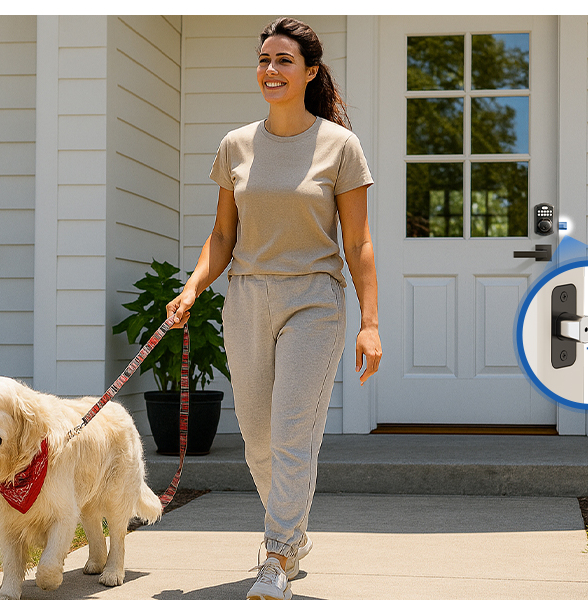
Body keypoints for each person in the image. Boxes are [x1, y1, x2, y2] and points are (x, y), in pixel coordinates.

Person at [166, 16, 382, 600]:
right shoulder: (236, 145)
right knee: (258, 441)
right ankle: (293, 531)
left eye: (284, 60)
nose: (271, 70)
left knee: (290, 434)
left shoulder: (340, 147)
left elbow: (357, 243)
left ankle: (277, 553)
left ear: (310, 72)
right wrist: (191, 288)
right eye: (264, 59)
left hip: (313, 301)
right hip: (246, 299)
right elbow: (221, 235)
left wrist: (369, 323)